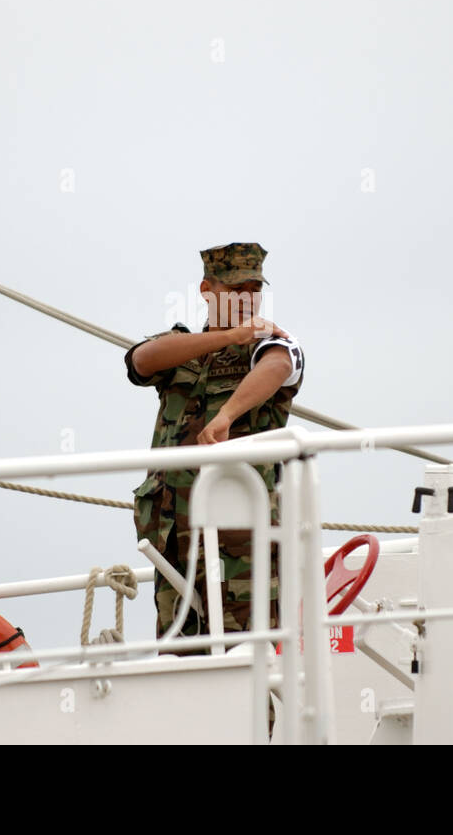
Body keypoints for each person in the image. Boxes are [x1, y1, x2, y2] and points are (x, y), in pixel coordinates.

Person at [124, 241, 305, 647]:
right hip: (175, 538)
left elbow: (279, 366)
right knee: (181, 661)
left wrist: (226, 416)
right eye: (234, 289)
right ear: (207, 290)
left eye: (253, 290)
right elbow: (141, 359)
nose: (246, 299)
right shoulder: (182, 349)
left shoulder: (270, 344)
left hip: (241, 546)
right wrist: (226, 338)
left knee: (246, 662)